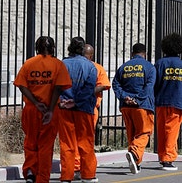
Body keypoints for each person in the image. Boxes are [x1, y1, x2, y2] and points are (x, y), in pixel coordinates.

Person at [14, 36, 72, 183]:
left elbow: (22, 85)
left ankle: (30, 172)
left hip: (31, 109)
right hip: (50, 109)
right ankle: (42, 177)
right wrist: (50, 109)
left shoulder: (29, 64)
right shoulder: (58, 65)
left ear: (36, 48)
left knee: (30, 141)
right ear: (53, 48)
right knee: (46, 146)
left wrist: (35, 102)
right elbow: (58, 88)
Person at [58, 37, 99, 182]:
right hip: (84, 109)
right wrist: (76, 101)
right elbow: (89, 89)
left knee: (67, 144)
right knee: (85, 142)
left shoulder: (62, 64)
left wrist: (64, 101)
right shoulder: (90, 66)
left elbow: (56, 86)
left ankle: (66, 176)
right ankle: (88, 175)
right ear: (83, 50)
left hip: (64, 109)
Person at [112, 42, 156, 174]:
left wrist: (125, 97)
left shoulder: (123, 67)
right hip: (142, 106)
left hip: (126, 106)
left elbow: (115, 84)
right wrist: (137, 99)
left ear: (132, 53)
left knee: (132, 134)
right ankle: (135, 154)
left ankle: (136, 163)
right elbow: (149, 86)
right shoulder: (149, 67)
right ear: (145, 54)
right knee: (144, 132)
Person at [154, 33, 182, 171]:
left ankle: (162, 155)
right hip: (178, 101)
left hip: (161, 101)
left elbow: (154, 83)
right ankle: (168, 158)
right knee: (172, 131)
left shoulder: (159, 64)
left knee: (161, 130)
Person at [72, 44, 111, 178]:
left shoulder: (73, 64)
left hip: (71, 106)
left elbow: (104, 85)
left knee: (74, 139)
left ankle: (77, 167)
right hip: (88, 108)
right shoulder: (95, 67)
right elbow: (103, 85)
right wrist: (88, 93)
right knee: (85, 140)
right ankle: (82, 168)